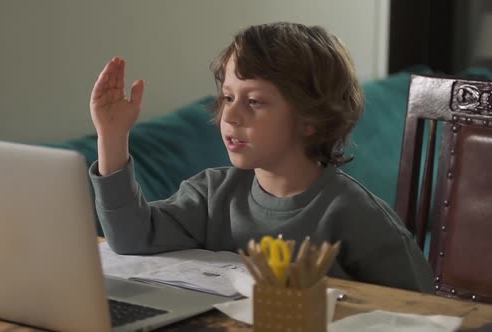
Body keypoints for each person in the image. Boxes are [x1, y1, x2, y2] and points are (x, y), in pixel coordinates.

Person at [88, 22, 434, 293]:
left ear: (311, 119)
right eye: (227, 97)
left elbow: (421, 311)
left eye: (254, 101)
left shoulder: (356, 217)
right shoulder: (212, 194)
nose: (231, 116)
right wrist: (113, 137)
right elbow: (130, 237)